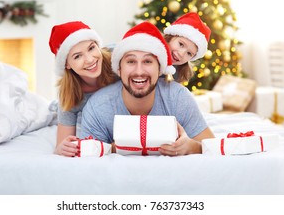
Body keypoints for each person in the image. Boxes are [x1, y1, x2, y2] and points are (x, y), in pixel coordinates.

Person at [80, 21, 214, 156]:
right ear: (119, 69)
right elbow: (86, 164)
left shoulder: (178, 98)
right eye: (131, 61)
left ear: (160, 69)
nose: (139, 71)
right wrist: (113, 148)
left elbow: (213, 147)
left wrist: (193, 147)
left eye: (148, 61)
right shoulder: (97, 108)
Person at [49, 21, 117, 157]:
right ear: (66, 64)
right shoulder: (69, 93)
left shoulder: (117, 59)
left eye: (91, 48)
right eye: (77, 56)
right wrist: (61, 149)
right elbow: (63, 143)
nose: (90, 59)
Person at [164, 12, 211, 83]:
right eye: (181, 44)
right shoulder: (149, 54)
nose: (181, 54)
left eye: (189, 53)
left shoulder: (177, 74)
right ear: (170, 37)